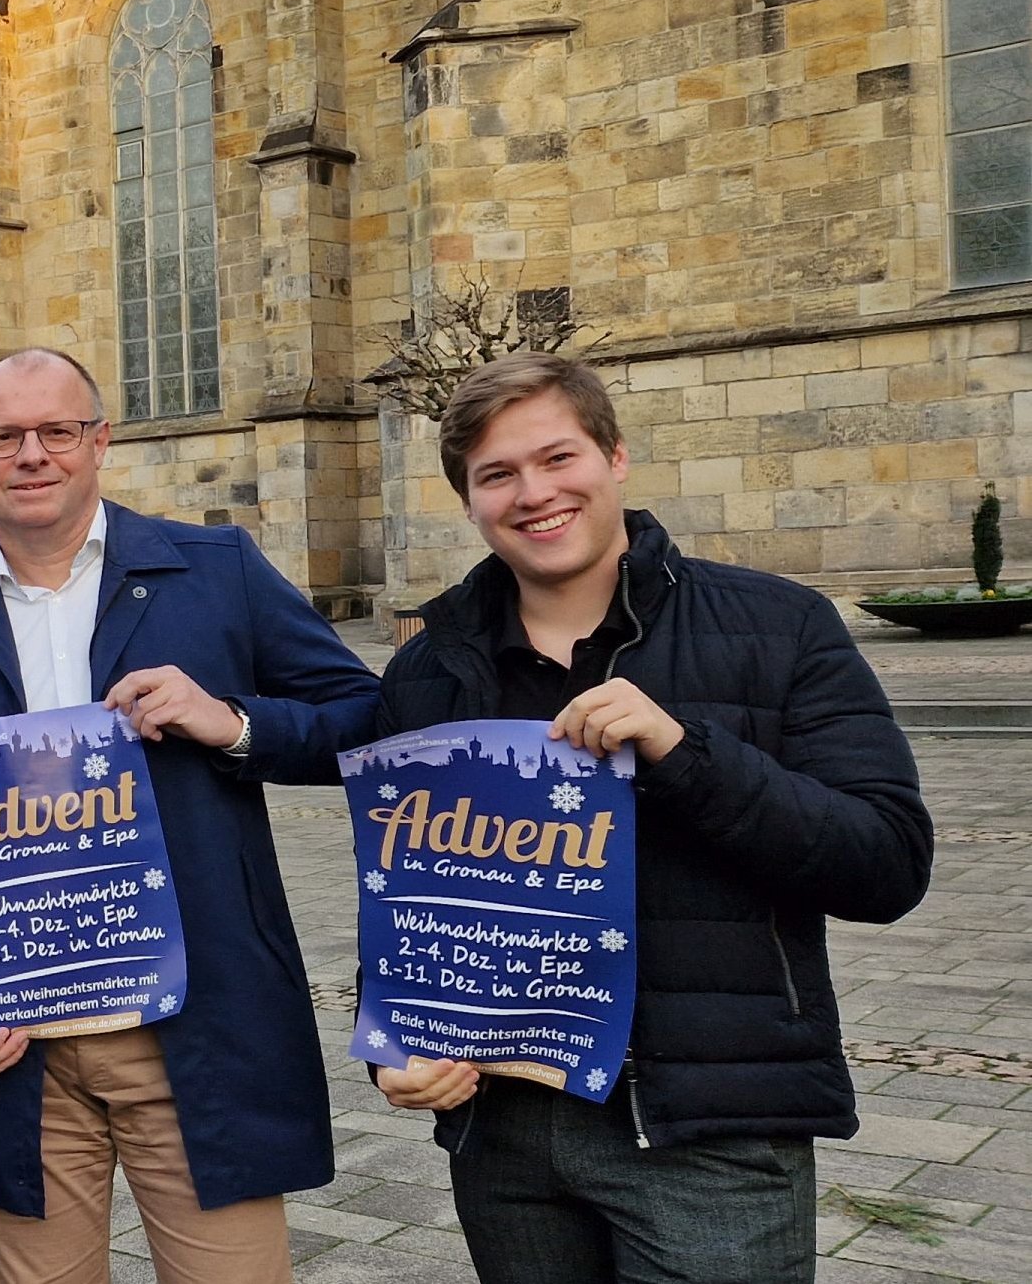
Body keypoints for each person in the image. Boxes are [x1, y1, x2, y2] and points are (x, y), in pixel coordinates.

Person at [368, 352, 931, 1284]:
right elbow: (405, 896)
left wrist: (683, 752)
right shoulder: (428, 670)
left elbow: (883, 866)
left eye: (557, 458)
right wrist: (398, 1043)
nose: (533, 493)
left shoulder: (780, 625)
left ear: (614, 458)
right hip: (505, 1132)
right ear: (466, 500)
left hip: (705, 1131)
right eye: (496, 475)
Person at [0, 348, 381, 1284]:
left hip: (192, 1031)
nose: (32, 454)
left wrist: (231, 723)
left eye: (56, 431)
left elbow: (366, 719)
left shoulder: (212, 568)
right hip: (20, 1047)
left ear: (99, 441)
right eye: (5, 436)